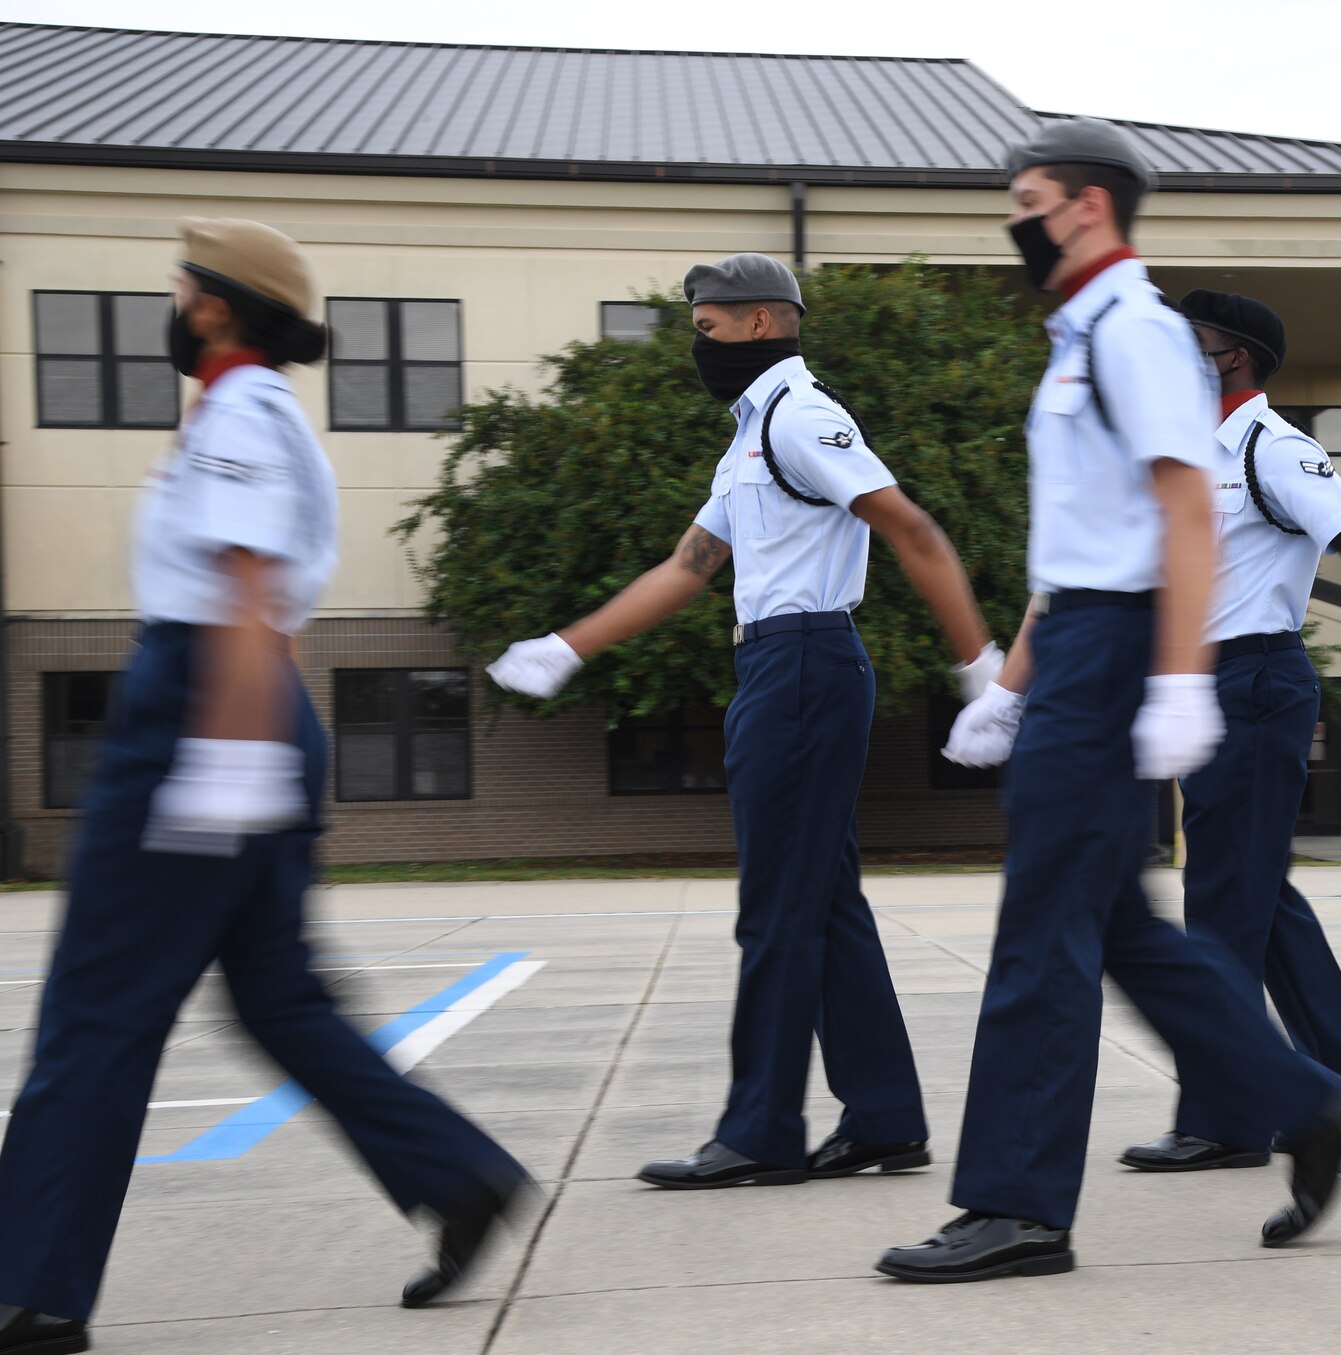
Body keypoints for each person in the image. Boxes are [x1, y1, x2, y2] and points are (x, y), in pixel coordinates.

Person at [875, 120, 1341, 1284]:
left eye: (1029, 197)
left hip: (1124, 649)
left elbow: (1181, 507)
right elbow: (1080, 542)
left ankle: (1015, 1203)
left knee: (1043, 931)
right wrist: (1008, 687)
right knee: (1119, 927)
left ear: (1089, 207)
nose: (1016, 218)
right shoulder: (1085, 340)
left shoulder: (1139, 335)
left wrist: (1175, 681)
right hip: (1089, 642)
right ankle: (1307, 1099)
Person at [0, 220, 530, 1353]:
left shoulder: (239, 414)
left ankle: (31, 1287)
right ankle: (460, 1172)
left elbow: (243, 592)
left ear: (213, 306)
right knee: (278, 997)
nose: (173, 303)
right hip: (255, 711)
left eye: (180, 286)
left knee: (97, 1009)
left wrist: (224, 766)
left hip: (208, 706)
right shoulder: (259, 414)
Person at [488, 254, 999, 1190]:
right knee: (824, 901)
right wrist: (567, 646)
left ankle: (760, 1130)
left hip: (804, 663)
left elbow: (912, 528)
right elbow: (688, 567)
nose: (698, 342)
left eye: (708, 326)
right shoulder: (753, 434)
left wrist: (982, 670)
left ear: (762, 322)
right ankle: (884, 1117)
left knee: (775, 909)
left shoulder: (804, 417)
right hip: (777, 664)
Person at [1117, 290, 1341, 1172]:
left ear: (1234, 359)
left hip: (1257, 678)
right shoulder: (1185, 457)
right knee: (1260, 898)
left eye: (1191, 346)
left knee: (1222, 907)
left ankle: (1225, 1119)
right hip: (1208, 678)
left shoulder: (1272, 449)